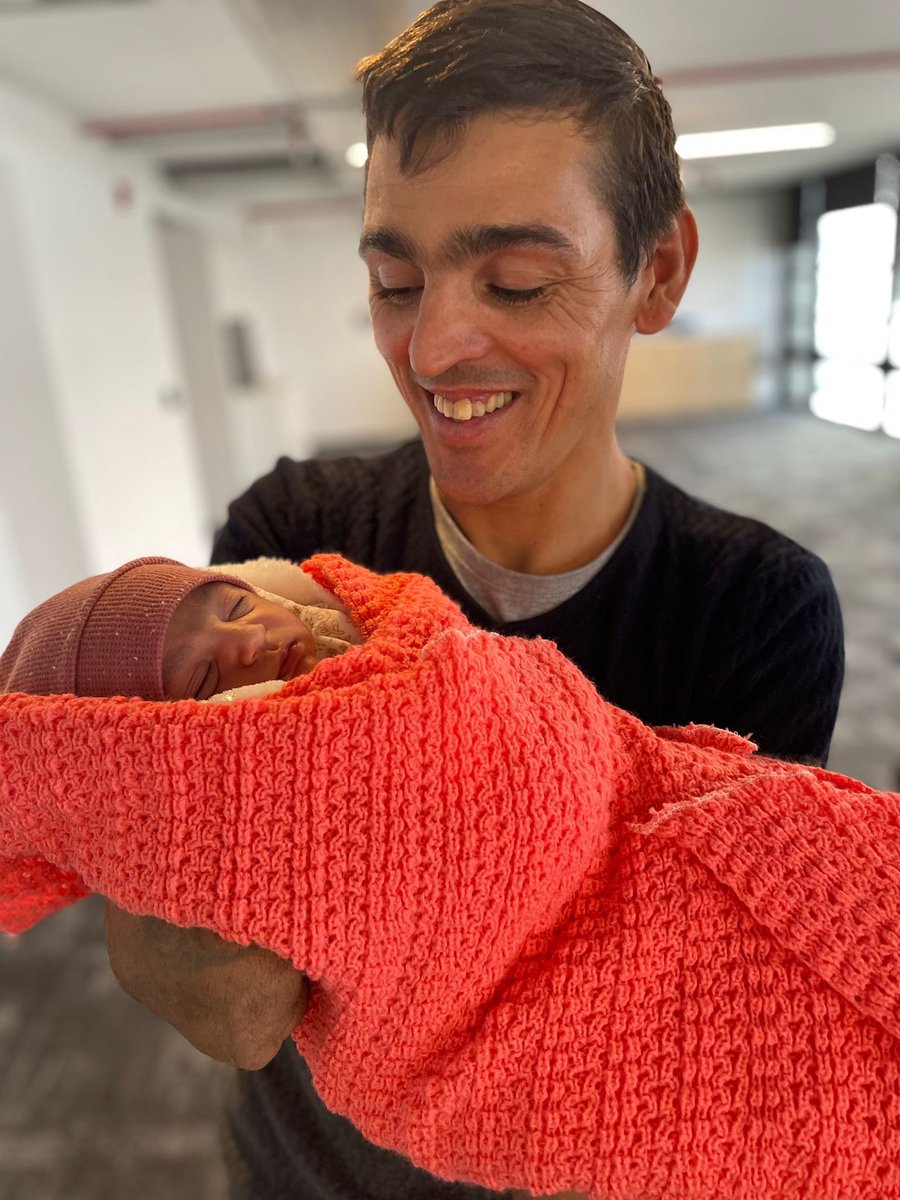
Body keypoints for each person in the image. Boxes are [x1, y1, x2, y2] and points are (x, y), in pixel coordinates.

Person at [66, 1, 846, 1197]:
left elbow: (718, 1006)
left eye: (520, 282)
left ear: (661, 271)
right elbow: (229, 1001)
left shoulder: (757, 607)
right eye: (395, 280)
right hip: (302, 1174)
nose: (432, 350)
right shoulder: (289, 539)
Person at [1, 552, 896, 1200]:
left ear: (652, 288)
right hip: (379, 1124)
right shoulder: (246, 752)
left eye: (236, 605)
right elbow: (231, 1003)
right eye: (202, 674)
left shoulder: (765, 591)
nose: (253, 639)